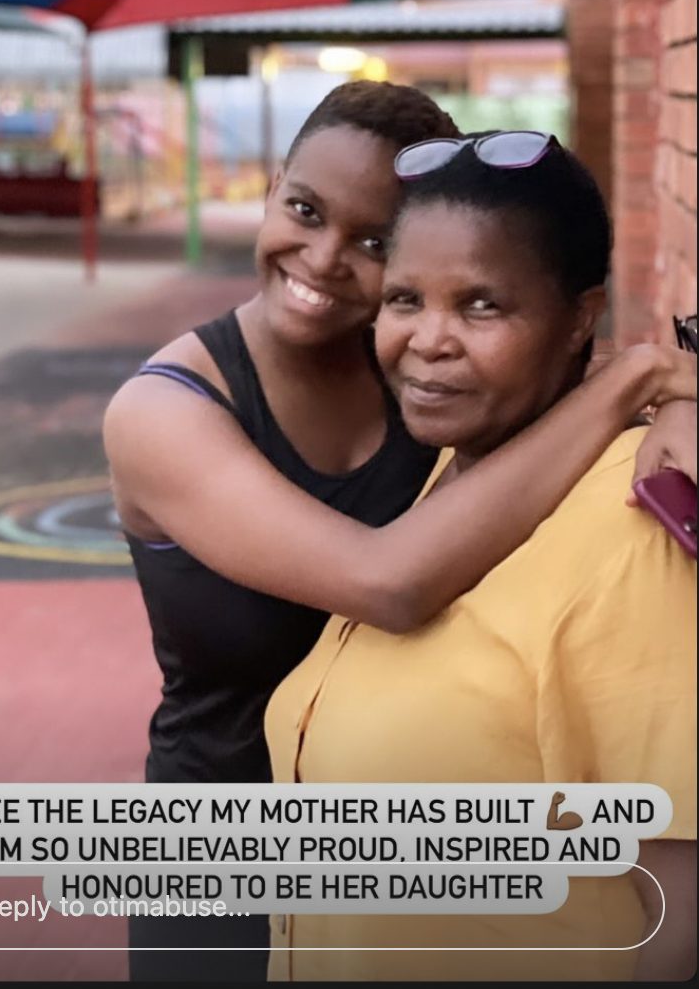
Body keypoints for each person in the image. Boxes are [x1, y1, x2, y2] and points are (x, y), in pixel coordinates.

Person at [105, 85, 696, 984]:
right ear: (271, 190)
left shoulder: (430, 389)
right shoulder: (166, 410)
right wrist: (642, 379)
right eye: (303, 209)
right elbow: (388, 578)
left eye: (374, 243)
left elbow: (548, 360)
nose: (325, 257)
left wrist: (673, 393)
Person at [265, 131, 697, 983]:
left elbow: (679, 923)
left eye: (481, 306)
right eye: (403, 299)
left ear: (579, 316)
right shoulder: (457, 473)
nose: (427, 340)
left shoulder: (630, 531)